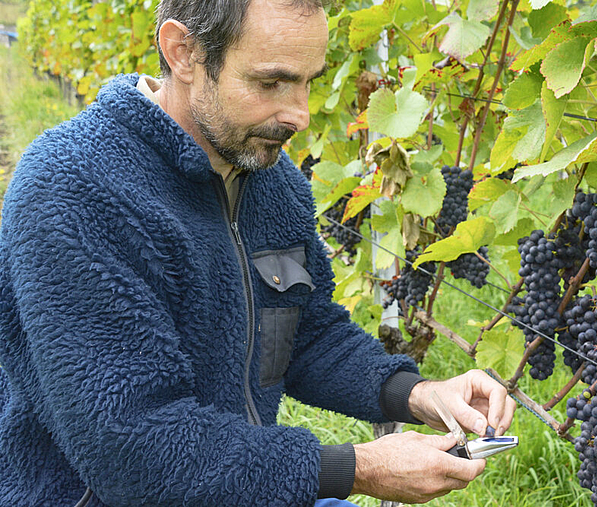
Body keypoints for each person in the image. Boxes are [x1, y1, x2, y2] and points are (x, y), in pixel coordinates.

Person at [0, 0, 516, 505]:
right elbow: (135, 449)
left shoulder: (273, 184)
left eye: (309, 80)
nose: (301, 115)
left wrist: (416, 393)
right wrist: (358, 468)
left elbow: (306, 335)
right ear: (183, 52)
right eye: (272, 82)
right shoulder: (73, 190)